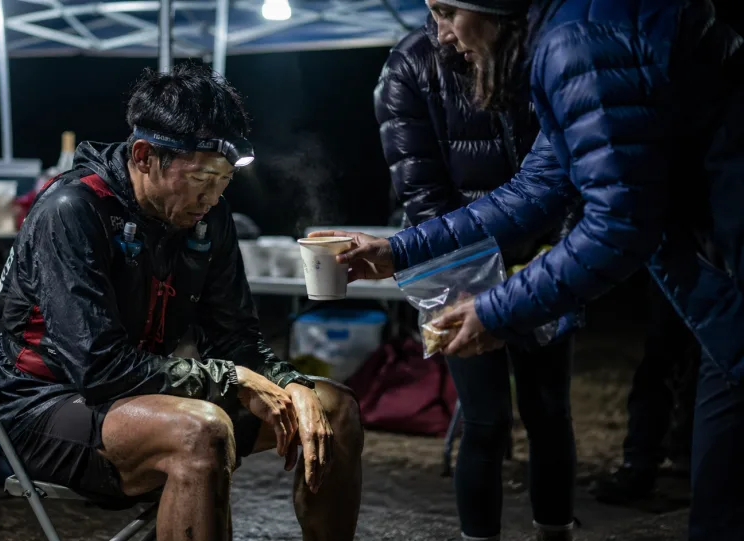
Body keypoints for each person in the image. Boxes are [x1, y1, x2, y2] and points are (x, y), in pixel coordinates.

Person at [314, 1, 744, 540]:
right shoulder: (560, 35)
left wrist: (499, 306)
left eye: (448, 11)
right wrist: (400, 251)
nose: (441, 34)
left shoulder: (574, 43)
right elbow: (535, 189)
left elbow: (618, 223)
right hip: (723, 288)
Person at [0, 63, 364, 541]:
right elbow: (99, 368)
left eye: (225, 179)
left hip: (146, 395)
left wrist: (290, 384)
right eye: (201, 178)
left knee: (333, 406)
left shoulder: (209, 218)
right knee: (200, 432)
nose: (212, 196)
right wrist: (227, 378)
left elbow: (235, 337)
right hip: (49, 407)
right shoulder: (73, 211)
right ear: (145, 155)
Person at [374, 12, 580, 541]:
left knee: (549, 410)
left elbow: (578, 172)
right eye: (433, 11)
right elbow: (423, 198)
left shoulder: (543, 52)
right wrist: (462, 284)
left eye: (449, 12)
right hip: (456, 263)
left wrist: (560, 255)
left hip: (543, 259)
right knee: (485, 419)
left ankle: (555, 532)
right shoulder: (411, 66)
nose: (441, 31)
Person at [593, 282, 699, 504]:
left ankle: (663, 458)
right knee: (661, 361)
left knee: (674, 364)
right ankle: (643, 462)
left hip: (699, 274)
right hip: (677, 272)